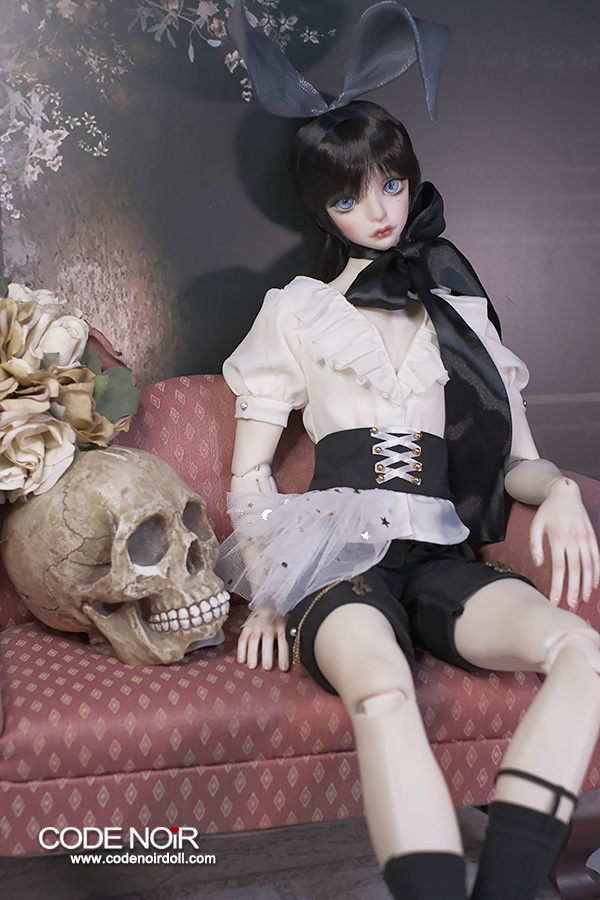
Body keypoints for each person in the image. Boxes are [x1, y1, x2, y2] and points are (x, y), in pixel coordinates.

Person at [218, 6, 600, 900]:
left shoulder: (458, 312)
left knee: (581, 650)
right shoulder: (297, 311)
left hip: (441, 556)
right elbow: (249, 472)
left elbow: (516, 461)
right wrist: (267, 593)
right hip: (336, 560)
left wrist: (561, 495)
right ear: (323, 209)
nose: (379, 211)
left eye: (391, 185)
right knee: (383, 693)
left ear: (411, 180)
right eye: (349, 198)